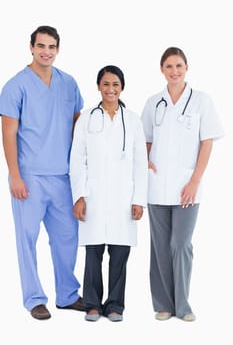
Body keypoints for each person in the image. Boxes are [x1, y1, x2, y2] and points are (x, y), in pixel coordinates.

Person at [0, 25, 85, 320]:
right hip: (30, 176)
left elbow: (78, 125)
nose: (46, 51)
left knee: (68, 237)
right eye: (41, 46)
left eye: (51, 46)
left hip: (62, 176)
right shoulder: (15, 86)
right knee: (27, 238)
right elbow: (8, 134)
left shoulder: (69, 83)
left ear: (58, 49)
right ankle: (34, 298)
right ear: (31, 48)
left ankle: (67, 295)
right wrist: (15, 175)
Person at [141, 47, 224, 322]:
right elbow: (146, 138)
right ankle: (163, 304)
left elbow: (207, 141)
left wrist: (194, 180)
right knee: (160, 246)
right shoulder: (154, 102)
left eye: (179, 65)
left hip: (188, 186)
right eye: (168, 66)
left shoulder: (201, 101)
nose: (174, 71)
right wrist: (146, 160)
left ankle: (183, 304)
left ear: (186, 67)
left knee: (181, 244)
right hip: (157, 187)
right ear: (162, 70)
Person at [70, 65, 148, 322]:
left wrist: (138, 200)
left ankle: (115, 305)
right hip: (94, 196)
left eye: (115, 84)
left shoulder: (133, 120)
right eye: (105, 84)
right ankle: (92, 303)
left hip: (124, 198)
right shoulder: (87, 118)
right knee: (93, 252)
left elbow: (140, 162)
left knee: (120, 254)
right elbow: (77, 159)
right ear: (98, 87)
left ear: (122, 87)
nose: (110, 89)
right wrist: (79, 195)